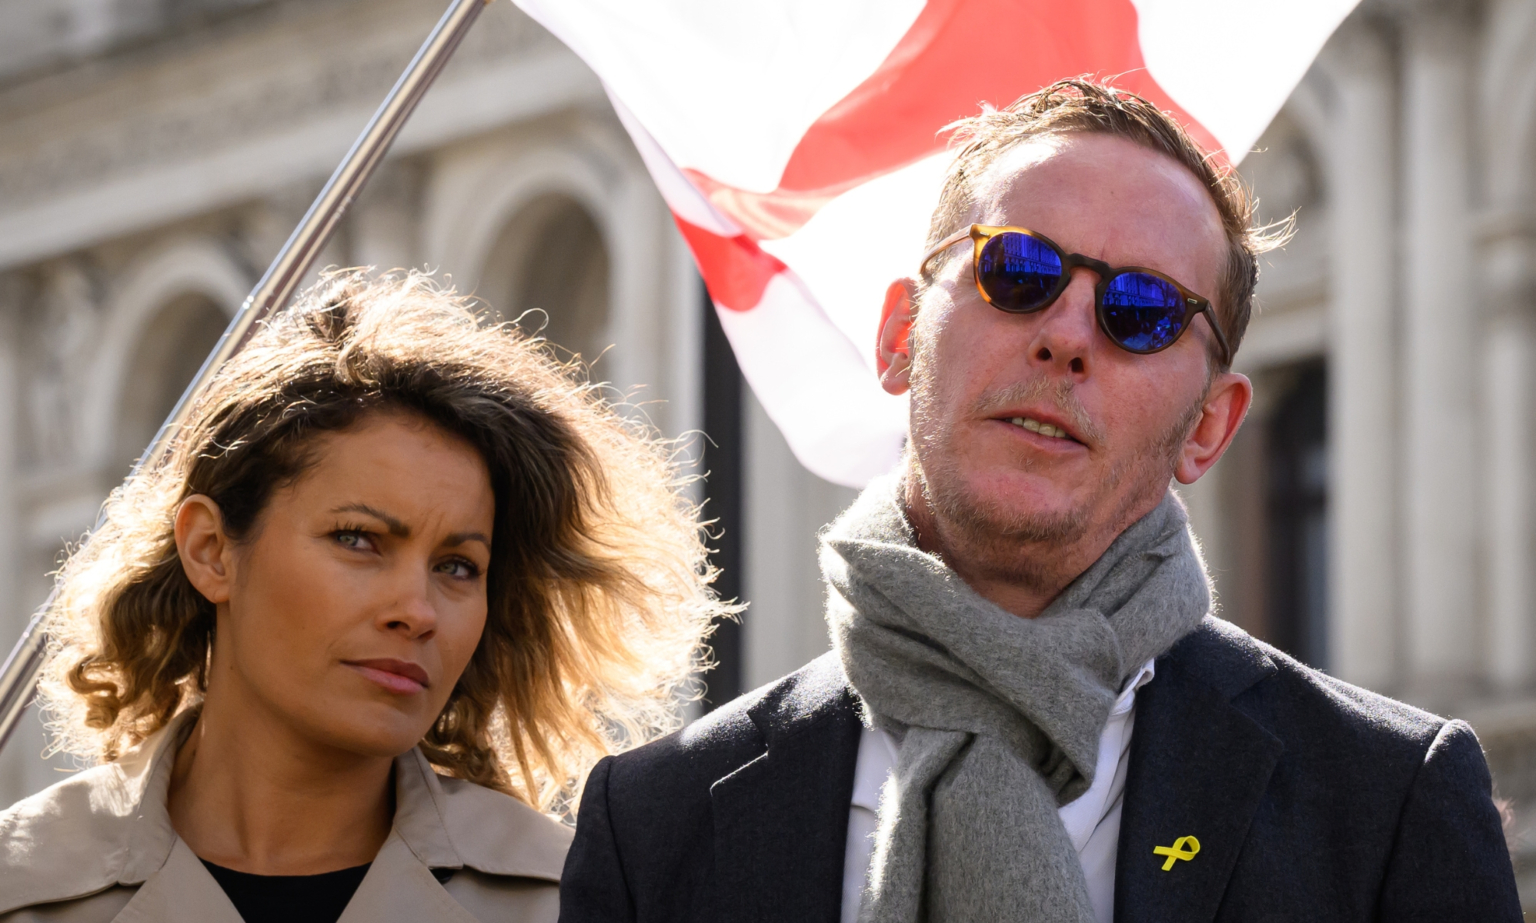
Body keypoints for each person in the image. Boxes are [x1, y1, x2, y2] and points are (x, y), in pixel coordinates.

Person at [558, 80, 1522, 923]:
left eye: (1140, 310)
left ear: (1208, 428)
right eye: (1015, 270)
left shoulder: (1389, 801)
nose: (1066, 335)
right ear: (900, 337)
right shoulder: (656, 823)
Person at [0, 270, 725, 923]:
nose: (417, 608)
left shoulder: (574, 899)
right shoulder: (24, 883)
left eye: (459, 566)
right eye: (357, 539)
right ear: (211, 551)